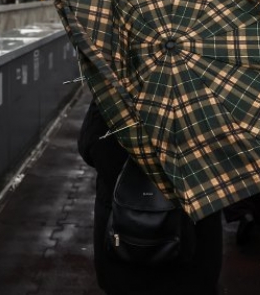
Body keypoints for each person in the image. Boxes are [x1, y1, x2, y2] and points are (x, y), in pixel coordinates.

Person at [79, 102, 223, 295]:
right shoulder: (205, 88)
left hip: (125, 236)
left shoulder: (115, 85)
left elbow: (90, 145)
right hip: (192, 239)